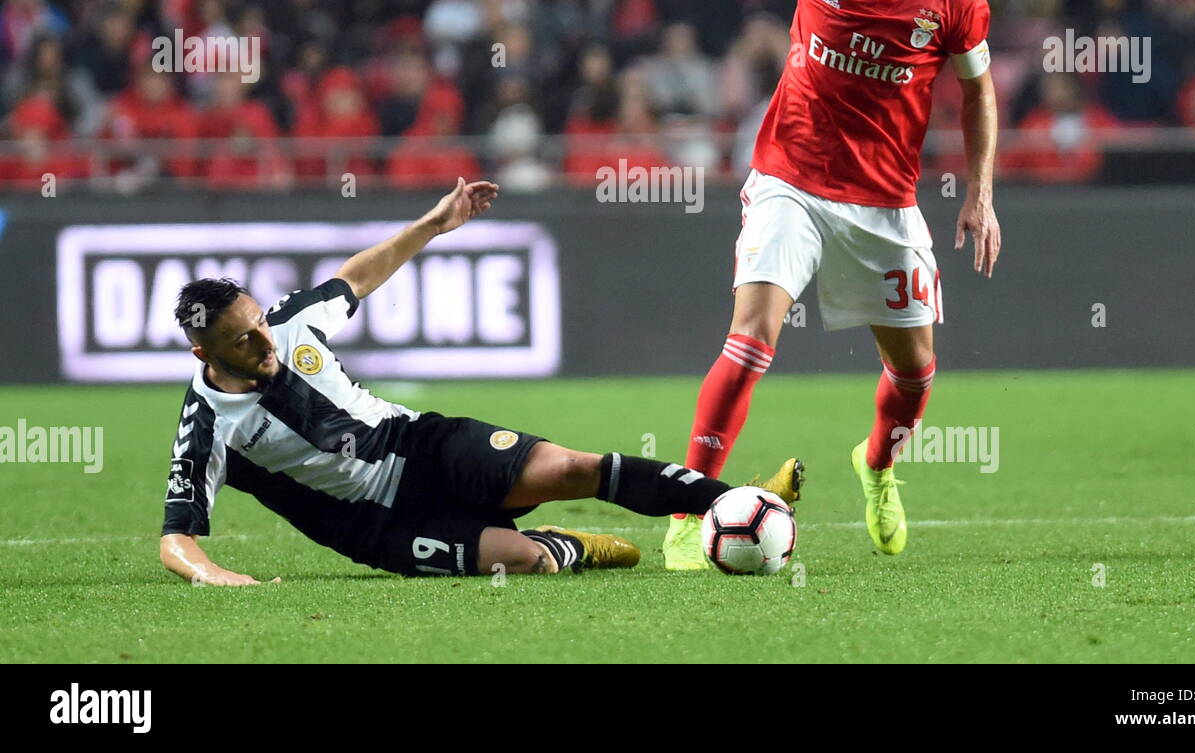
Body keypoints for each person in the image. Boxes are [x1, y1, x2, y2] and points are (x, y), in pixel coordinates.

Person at [620, 0, 1001, 567]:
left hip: (884, 203)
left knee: (915, 374)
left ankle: (878, 466)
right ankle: (683, 511)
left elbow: (979, 92)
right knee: (749, 343)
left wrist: (980, 190)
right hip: (788, 182)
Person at [160, 177, 802, 584]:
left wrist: (433, 225)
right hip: (375, 525)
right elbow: (176, 538)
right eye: (242, 339)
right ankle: (570, 546)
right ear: (202, 352)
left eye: (257, 321)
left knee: (573, 468)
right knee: (523, 560)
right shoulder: (209, 425)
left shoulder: (289, 323)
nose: (262, 338)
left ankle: (734, 504)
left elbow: (355, 277)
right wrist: (209, 573)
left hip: (421, 446)